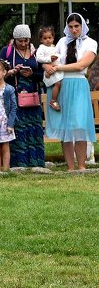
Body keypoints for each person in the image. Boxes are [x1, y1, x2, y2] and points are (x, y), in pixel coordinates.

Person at [44, 13, 97, 171]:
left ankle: (81, 166)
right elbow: (50, 60)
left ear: (82, 26)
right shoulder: (62, 42)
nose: (74, 30)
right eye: (71, 26)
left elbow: (81, 65)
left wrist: (57, 67)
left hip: (79, 84)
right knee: (65, 125)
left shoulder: (91, 43)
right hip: (62, 84)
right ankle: (70, 167)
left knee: (79, 125)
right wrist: (47, 68)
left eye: (77, 26)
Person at [0, 25, 46, 171]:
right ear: (14, 39)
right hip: (14, 96)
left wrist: (32, 74)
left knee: (33, 128)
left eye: (26, 40)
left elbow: (44, 76)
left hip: (32, 97)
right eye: (20, 41)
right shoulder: (6, 52)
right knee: (17, 128)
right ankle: (19, 162)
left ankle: (36, 161)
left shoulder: (36, 53)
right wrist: (12, 72)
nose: (24, 44)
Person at [36, 27, 63, 112]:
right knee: (58, 84)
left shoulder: (54, 47)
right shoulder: (41, 48)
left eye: (49, 38)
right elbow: (38, 58)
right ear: (41, 40)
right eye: (45, 38)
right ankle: (53, 100)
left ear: (53, 38)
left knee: (61, 84)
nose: (47, 40)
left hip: (56, 69)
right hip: (49, 71)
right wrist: (49, 59)